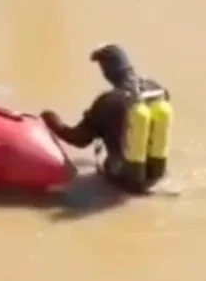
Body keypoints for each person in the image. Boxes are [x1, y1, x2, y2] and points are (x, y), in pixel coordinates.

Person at [40, 44, 172, 194]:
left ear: (108, 72)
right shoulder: (157, 89)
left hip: (122, 178)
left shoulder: (107, 102)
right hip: (157, 172)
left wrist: (54, 123)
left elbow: (79, 140)